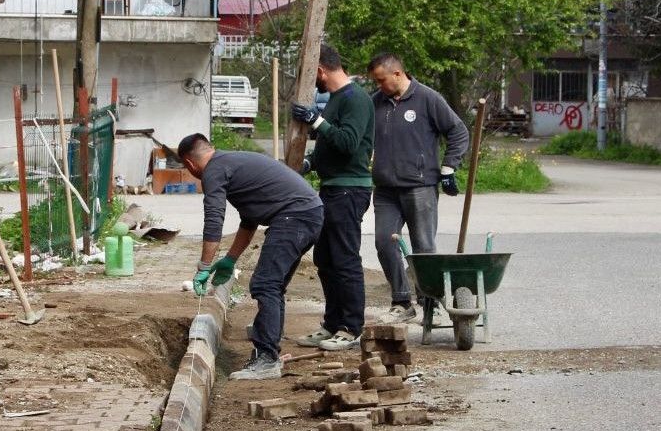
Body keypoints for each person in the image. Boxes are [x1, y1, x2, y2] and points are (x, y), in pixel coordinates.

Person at [179, 133, 323, 380]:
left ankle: (266, 358)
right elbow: (250, 221)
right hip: (308, 213)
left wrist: (204, 266)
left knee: (265, 284)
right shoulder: (233, 163)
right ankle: (268, 347)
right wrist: (230, 259)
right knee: (273, 285)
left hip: (294, 216)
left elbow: (214, 219)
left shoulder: (214, 170)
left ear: (190, 165)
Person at [366, 53, 470, 322]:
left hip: (420, 187)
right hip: (386, 189)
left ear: (398, 74)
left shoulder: (427, 99)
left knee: (423, 248)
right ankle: (401, 301)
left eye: (381, 80)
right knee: (384, 243)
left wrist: (448, 168)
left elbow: (458, 131)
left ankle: (429, 301)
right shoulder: (375, 103)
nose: (379, 86)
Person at [290, 44, 376, 351]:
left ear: (320, 70)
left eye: (308, 74)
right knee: (325, 257)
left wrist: (316, 121)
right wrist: (310, 163)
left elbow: (349, 142)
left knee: (345, 258)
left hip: (349, 189)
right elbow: (330, 143)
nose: (308, 81)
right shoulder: (338, 100)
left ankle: (351, 327)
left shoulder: (357, 99)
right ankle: (331, 323)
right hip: (332, 187)